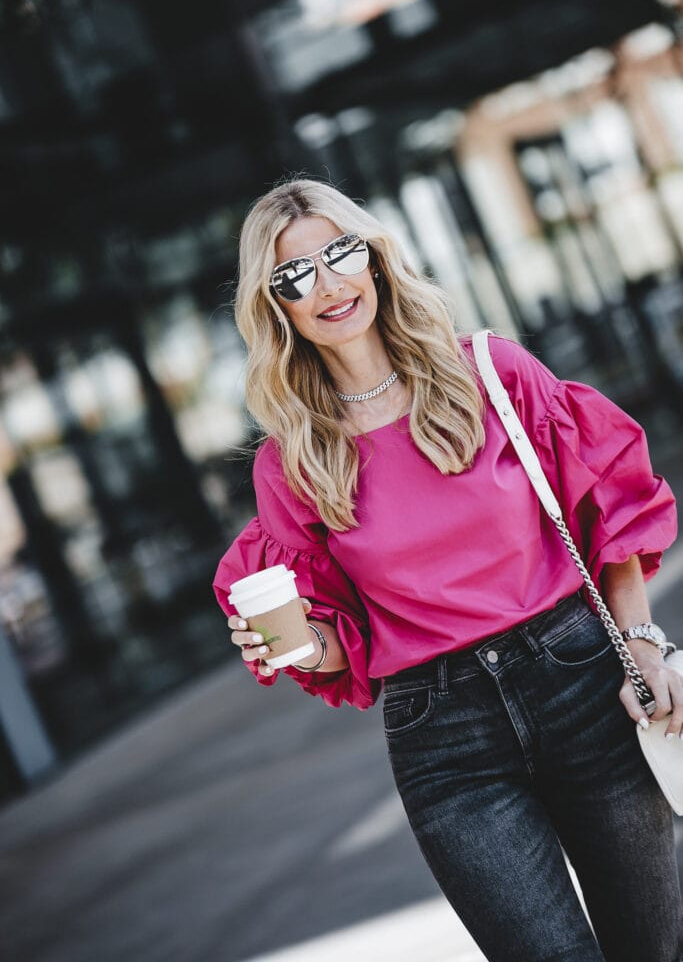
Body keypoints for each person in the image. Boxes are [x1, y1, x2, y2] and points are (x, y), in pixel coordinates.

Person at [212, 176, 683, 962]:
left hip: (582, 687)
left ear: (373, 258)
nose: (327, 285)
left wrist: (640, 643)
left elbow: (608, 507)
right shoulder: (292, 462)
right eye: (294, 275)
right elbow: (334, 642)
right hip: (444, 739)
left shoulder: (492, 373)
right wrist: (287, 644)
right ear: (275, 305)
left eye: (339, 254)